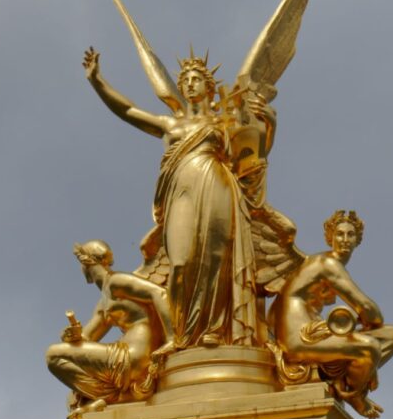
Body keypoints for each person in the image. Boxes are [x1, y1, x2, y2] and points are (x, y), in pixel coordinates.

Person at [83, 48, 271, 350]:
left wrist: (265, 122)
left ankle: (214, 329)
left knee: (217, 259)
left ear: (209, 86)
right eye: (185, 81)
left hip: (217, 187)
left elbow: (253, 155)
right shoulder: (171, 125)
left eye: (196, 79)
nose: (190, 84)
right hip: (180, 195)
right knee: (180, 263)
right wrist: (97, 81)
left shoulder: (224, 123)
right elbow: (128, 111)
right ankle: (181, 334)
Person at [269, 211, 393, 418]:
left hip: (316, 332)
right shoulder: (327, 264)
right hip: (298, 339)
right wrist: (369, 359)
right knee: (369, 348)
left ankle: (346, 379)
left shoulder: (323, 263)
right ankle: (353, 393)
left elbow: (371, 317)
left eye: (350, 234)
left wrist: (368, 365)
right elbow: (370, 312)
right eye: (340, 234)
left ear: (357, 240)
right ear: (330, 238)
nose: (345, 239)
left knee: (391, 336)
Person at [45, 240, 172, 419]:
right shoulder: (103, 303)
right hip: (126, 355)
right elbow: (85, 338)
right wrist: (71, 336)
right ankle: (114, 398)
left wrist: (171, 340)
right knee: (59, 357)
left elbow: (160, 293)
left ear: (86, 263)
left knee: (53, 354)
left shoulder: (116, 281)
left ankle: (107, 396)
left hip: (133, 355)